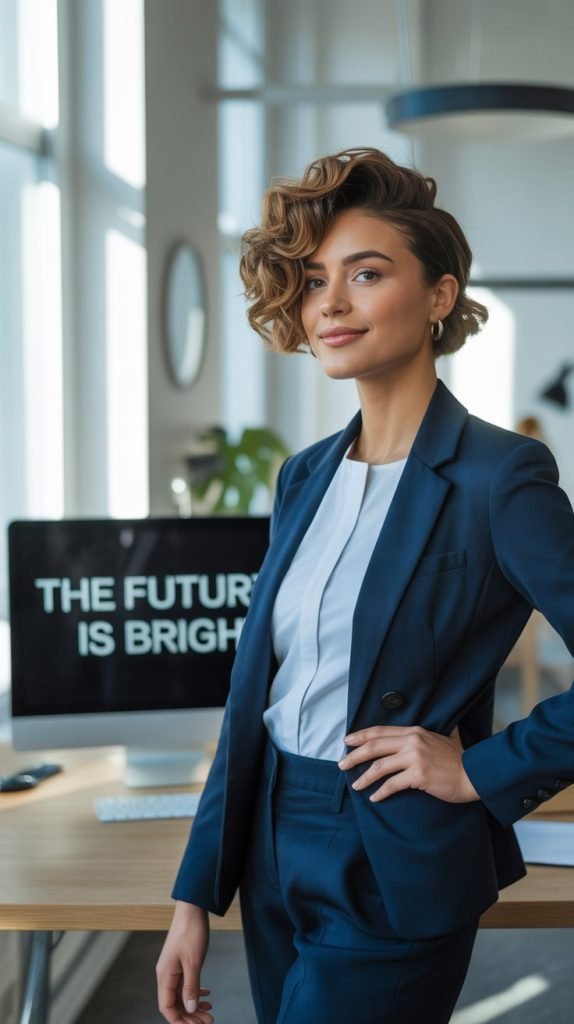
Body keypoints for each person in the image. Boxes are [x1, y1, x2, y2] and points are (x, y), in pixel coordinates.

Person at [156, 148, 574, 1024]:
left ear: (439, 298)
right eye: (313, 282)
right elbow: (253, 697)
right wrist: (195, 892)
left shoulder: (504, 476)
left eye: (367, 273)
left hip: (393, 847)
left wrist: (480, 768)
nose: (331, 305)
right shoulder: (303, 475)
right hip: (272, 840)